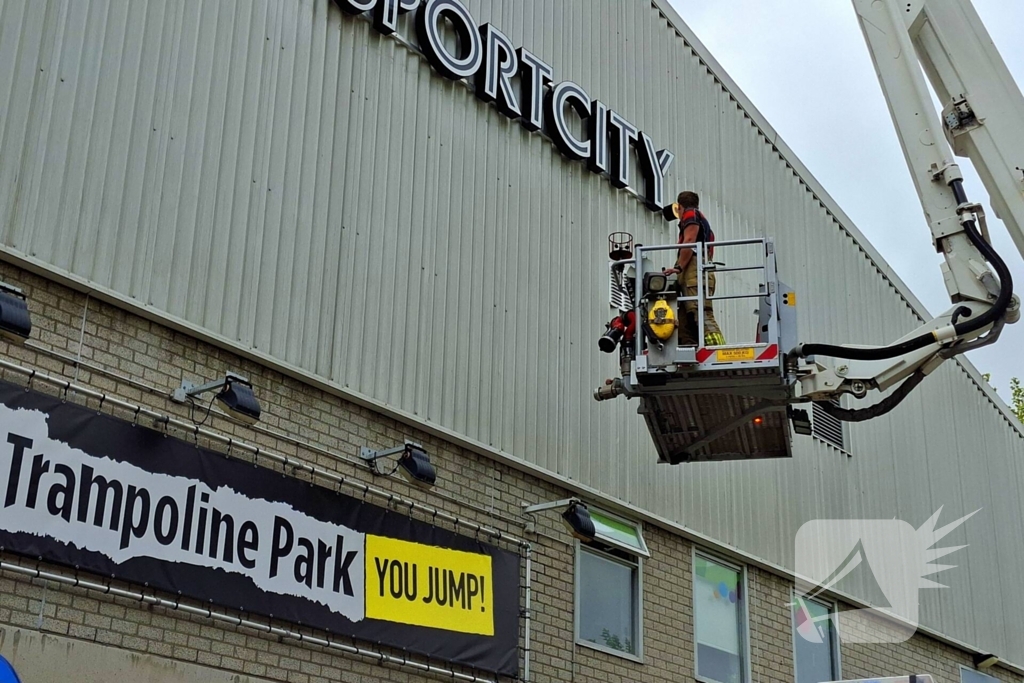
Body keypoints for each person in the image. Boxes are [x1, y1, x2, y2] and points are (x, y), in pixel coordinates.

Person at [663, 191, 725, 347]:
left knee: (701, 312)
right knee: (685, 318)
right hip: (694, 271)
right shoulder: (702, 221)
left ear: (680, 207)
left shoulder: (690, 214)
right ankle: (691, 348)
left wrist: (678, 267)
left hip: (695, 271)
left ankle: (717, 350)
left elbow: (690, 240)